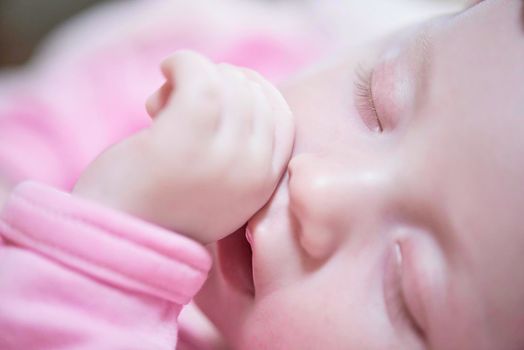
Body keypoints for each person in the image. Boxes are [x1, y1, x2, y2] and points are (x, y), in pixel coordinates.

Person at [1, 0, 523, 350]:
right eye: (376, 103)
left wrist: (109, 248)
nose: (317, 190)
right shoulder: (239, 59)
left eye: (404, 286)